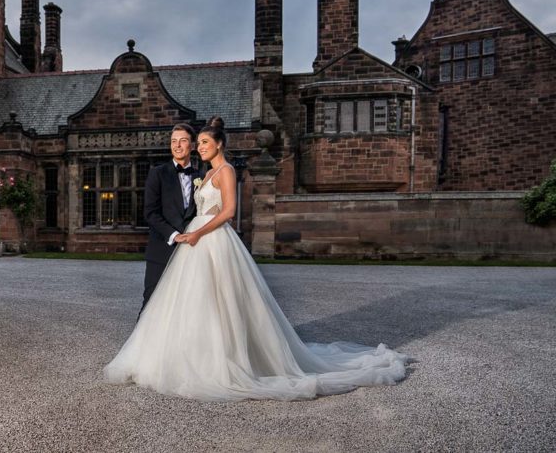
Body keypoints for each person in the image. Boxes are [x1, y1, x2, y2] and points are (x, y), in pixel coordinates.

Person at [105, 118, 409, 401]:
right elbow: (152, 213)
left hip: (210, 241)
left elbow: (227, 212)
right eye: (189, 143)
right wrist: (181, 236)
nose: (193, 147)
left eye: (197, 142)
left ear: (218, 144)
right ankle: (170, 355)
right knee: (173, 303)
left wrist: (196, 234)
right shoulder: (195, 173)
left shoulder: (218, 172)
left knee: (220, 301)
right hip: (179, 245)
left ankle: (220, 360)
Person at [141, 123, 200, 313]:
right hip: (161, 248)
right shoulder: (157, 173)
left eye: (183, 141)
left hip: (192, 250)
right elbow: (150, 212)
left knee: (186, 304)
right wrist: (174, 235)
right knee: (151, 300)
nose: (177, 145)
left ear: (192, 145)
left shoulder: (202, 176)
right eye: (174, 141)